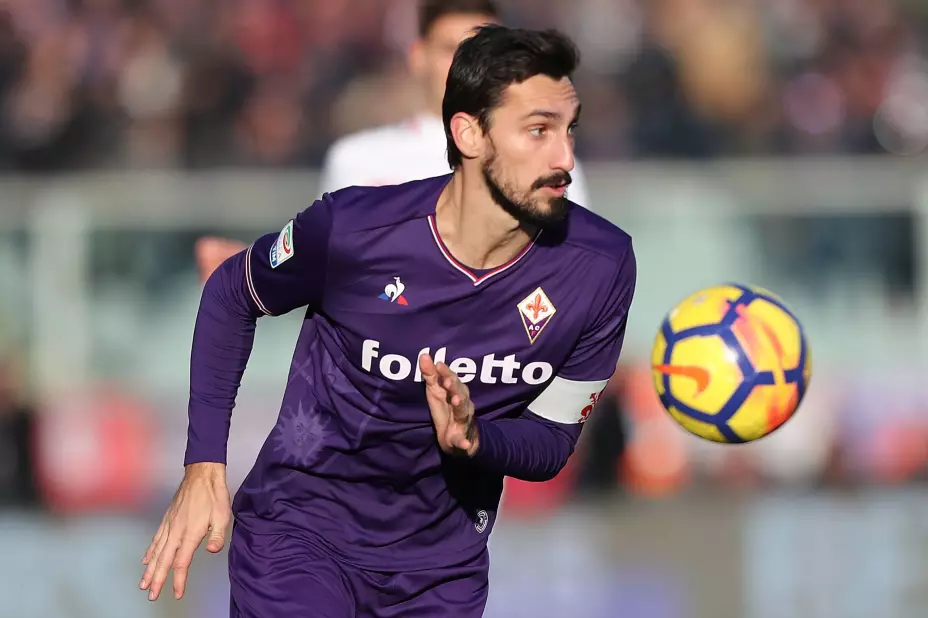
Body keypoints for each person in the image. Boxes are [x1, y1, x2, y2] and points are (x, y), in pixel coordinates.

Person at [139, 24, 636, 617]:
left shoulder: (602, 265)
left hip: (441, 571)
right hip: (302, 533)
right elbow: (231, 292)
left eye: (569, 129)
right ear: (469, 134)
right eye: (538, 130)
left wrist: (476, 438)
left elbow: (552, 439)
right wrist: (203, 468)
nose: (565, 159)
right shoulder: (355, 229)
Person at [193, 0, 593, 282]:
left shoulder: (546, 159)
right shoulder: (358, 159)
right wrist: (248, 272)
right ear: (418, 56)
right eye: (452, 50)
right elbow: (326, 278)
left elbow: (575, 280)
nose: (468, 66)